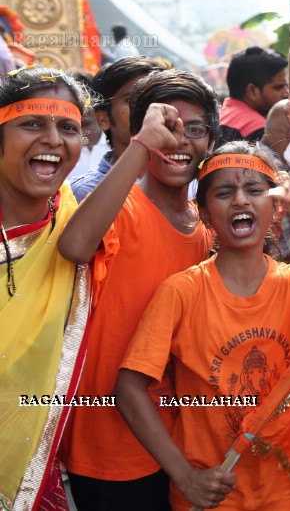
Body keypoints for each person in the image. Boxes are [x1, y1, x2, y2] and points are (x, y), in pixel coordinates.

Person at [114, 144, 290, 510]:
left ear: (277, 209)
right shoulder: (181, 292)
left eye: (254, 191)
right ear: (203, 214)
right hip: (211, 497)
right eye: (224, 193)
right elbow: (128, 388)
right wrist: (185, 476)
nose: (240, 201)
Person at [57, 70, 219, 511]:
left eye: (196, 129)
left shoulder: (207, 226)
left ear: (210, 142)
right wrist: (142, 146)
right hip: (110, 443)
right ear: (140, 131)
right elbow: (74, 245)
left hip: (184, 438)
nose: (180, 141)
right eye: (166, 127)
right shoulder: (121, 205)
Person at [0, 68, 92, 509]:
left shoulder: (79, 222)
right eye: (33, 123)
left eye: (69, 127)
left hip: (36, 472)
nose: (54, 139)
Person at [71, 56, 169, 201]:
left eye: (158, 99)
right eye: (131, 100)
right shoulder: (84, 193)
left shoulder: (188, 184)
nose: (150, 109)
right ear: (103, 118)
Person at [218, 47, 289, 143]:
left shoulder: (219, 116)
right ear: (252, 91)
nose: (286, 93)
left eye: (286, 86)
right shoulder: (258, 129)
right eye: (278, 87)